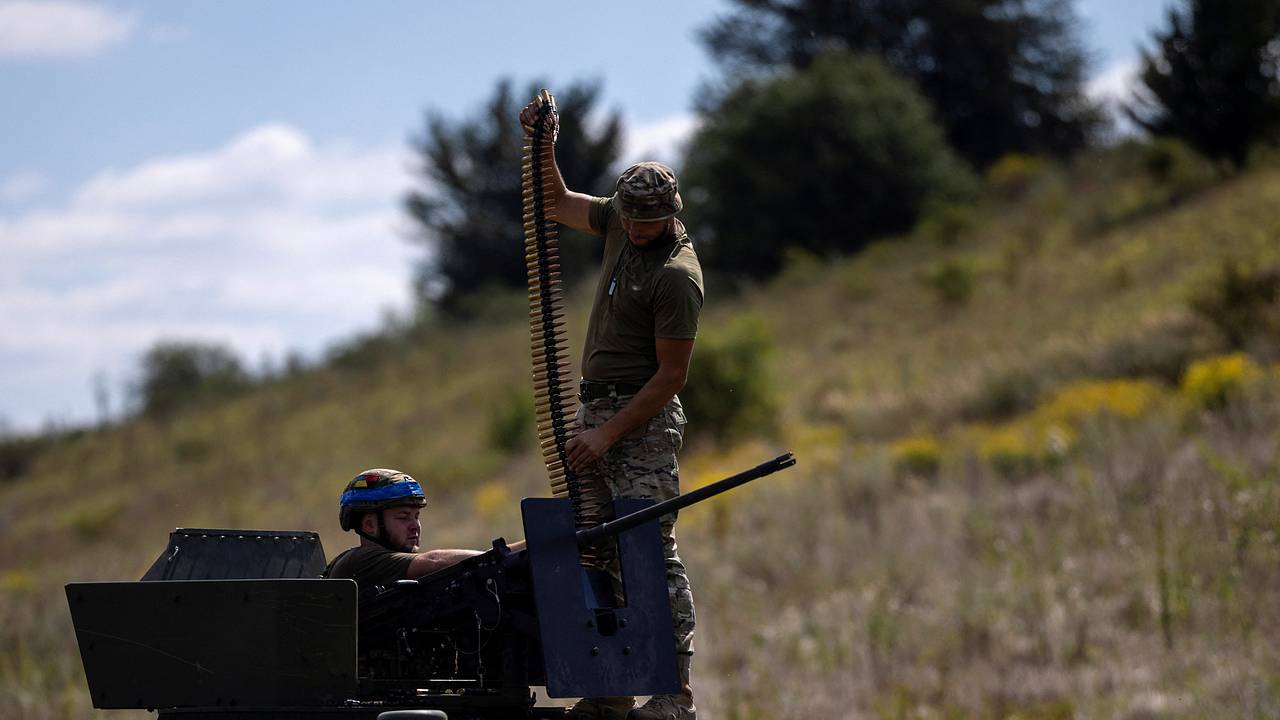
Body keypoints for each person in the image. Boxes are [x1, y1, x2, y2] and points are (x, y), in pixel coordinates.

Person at [521, 97, 704, 720]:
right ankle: (613, 685)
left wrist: (607, 436)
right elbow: (557, 202)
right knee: (593, 546)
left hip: (641, 423)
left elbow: (671, 377)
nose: (635, 230)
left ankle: (674, 693)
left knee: (649, 548)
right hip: (597, 409)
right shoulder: (623, 226)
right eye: (628, 219)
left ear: (669, 216)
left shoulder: (675, 276)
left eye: (647, 224)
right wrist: (543, 143)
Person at [324, 468, 502, 588]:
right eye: (403, 517)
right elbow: (434, 561)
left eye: (416, 516)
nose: (415, 526)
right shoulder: (361, 561)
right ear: (369, 525)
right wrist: (501, 556)